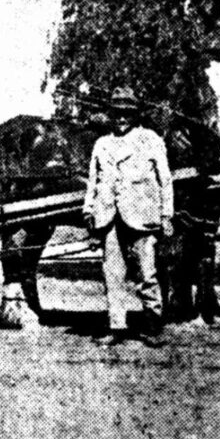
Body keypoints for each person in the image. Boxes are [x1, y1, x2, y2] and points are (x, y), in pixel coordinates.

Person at [83, 87, 174, 347]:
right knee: (112, 273)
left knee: (147, 273)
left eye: (127, 114)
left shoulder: (151, 139)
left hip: (142, 216)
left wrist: (166, 214)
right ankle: (116, 327)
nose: (121, 119)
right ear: (110, 116)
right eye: (117, 114)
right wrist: (89, 210)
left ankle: (153, 326)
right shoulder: (102, 144)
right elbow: (93, 182)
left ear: (135, 116)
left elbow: (165, 180)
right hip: (109, 218)